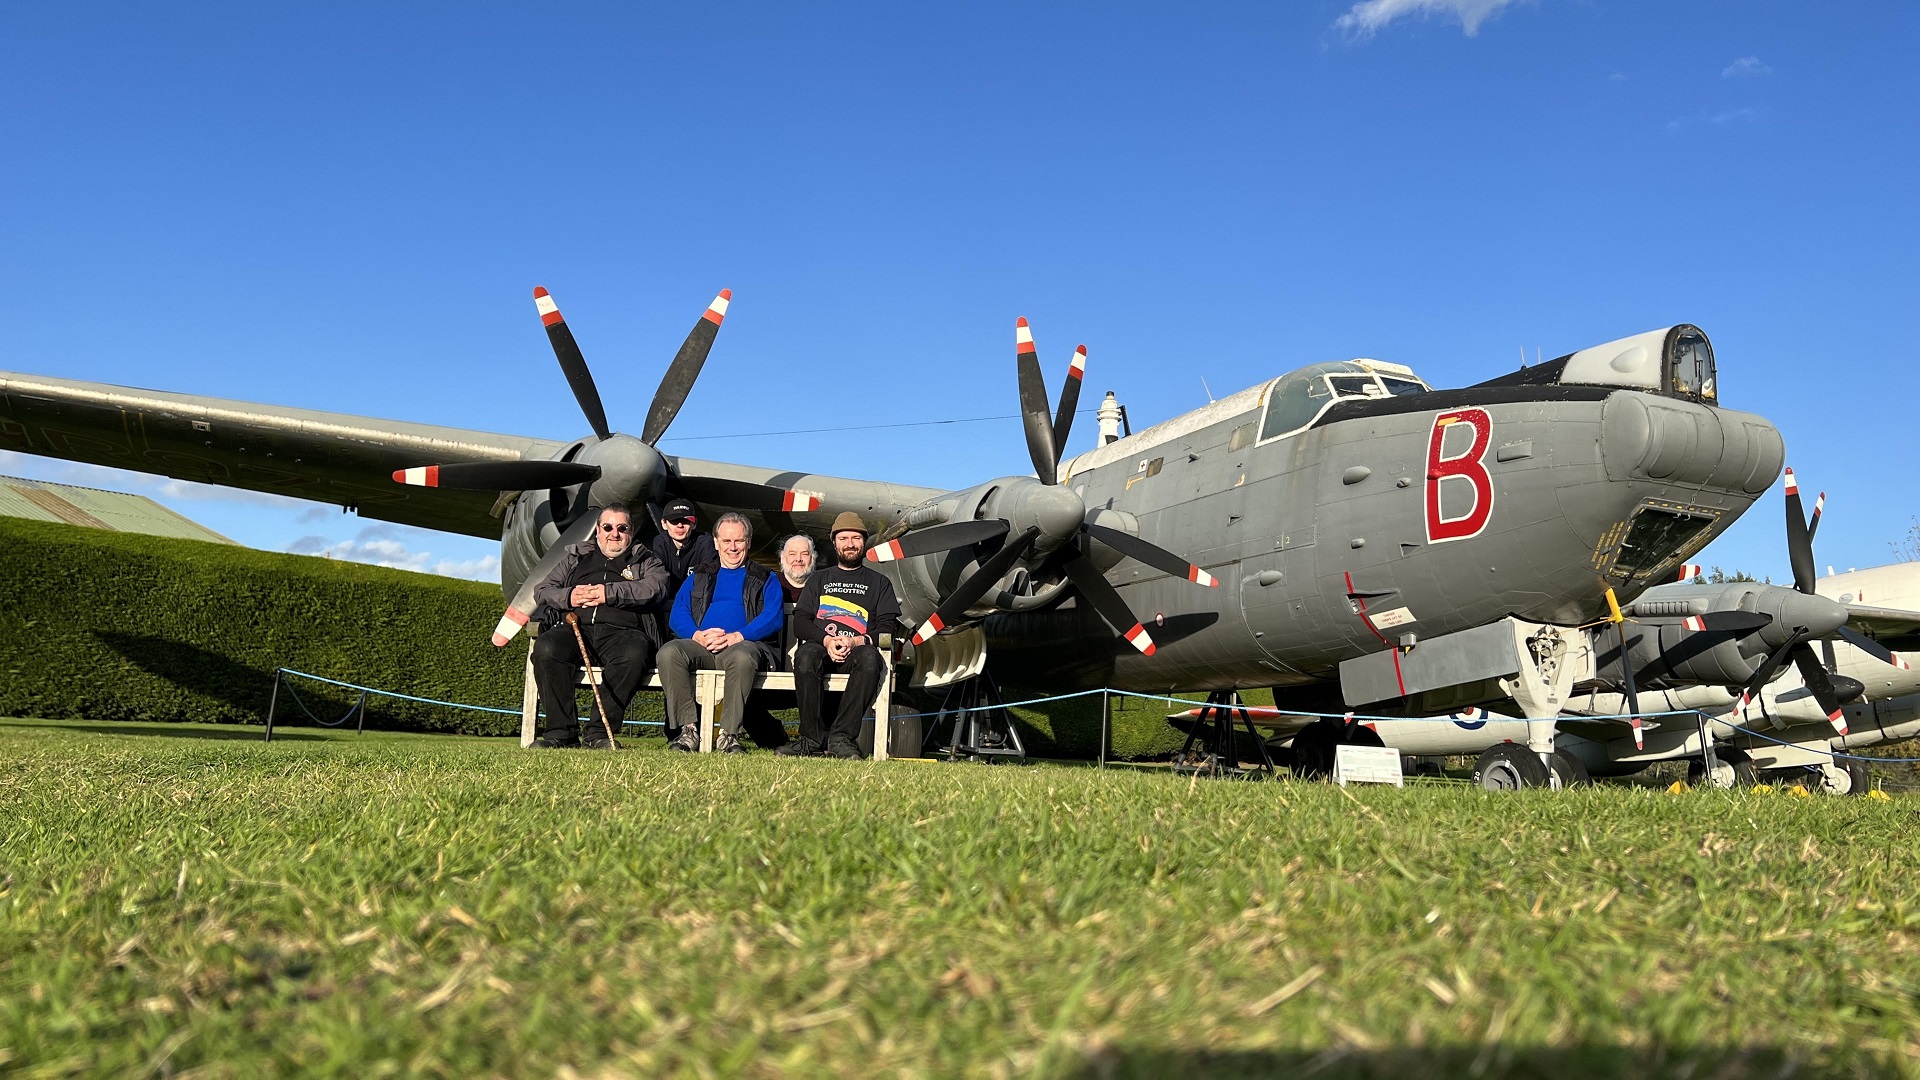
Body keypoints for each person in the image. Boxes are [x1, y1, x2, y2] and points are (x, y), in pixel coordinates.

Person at [527, 502, 672, 749]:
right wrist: (569, 596)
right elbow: (542, 590)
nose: (614, 533)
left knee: (634, 654)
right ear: (598, 530)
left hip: (624, 633)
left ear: (631, 531)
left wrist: (609, 593)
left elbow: (655, 588)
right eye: (607, 527)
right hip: (575, 628)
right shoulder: (575, 557)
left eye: (621, 528)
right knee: (547, 648)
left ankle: (599, 734)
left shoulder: (646, 560)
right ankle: (561, 734)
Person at [658, 512, 786, 754]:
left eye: (739, 541)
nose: (733, 547)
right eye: (726, 541)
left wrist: (737, 636)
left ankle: (729, 735)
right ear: (716, 543)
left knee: (742, 657)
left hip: (744, 645)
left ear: (748, 542)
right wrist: (697, 635)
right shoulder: (699, 575)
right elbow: (678, 613)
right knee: (669, 653)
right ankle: (687, 732)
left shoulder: (765, 577)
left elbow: (773, 617)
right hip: (702, 645)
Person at [779, 511, 902, 759]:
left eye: (855, 538)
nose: (849, 544)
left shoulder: (879, 583)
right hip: (821, 647)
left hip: (857, 652)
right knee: (805, 656)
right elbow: (801, 622)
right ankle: (811, 740)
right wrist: (826, 640)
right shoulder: (818, 579)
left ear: (864, 542)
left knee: (869, 658)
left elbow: (890, 630)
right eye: (843, 538)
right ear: (834, 543)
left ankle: (841, 738)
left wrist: (857, 640)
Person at [734, 533, 817, 749]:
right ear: (781, 559)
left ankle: (822, 739)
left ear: (813, 559)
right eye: (792, 554)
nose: (798, 559)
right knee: (737, 686)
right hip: (768, 665)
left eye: (804, 554)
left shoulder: (822, 586)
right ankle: (773, 737)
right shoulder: (766, 585)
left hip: (812, 670)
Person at [649, 497, 717, 590]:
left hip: (696, 598)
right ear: (664, 524)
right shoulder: (660, 544)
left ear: (694, 524)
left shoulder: (705, 543)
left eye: (685, 521)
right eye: (674, 521)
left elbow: (708, 577)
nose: (680, 525)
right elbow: (655, 580)